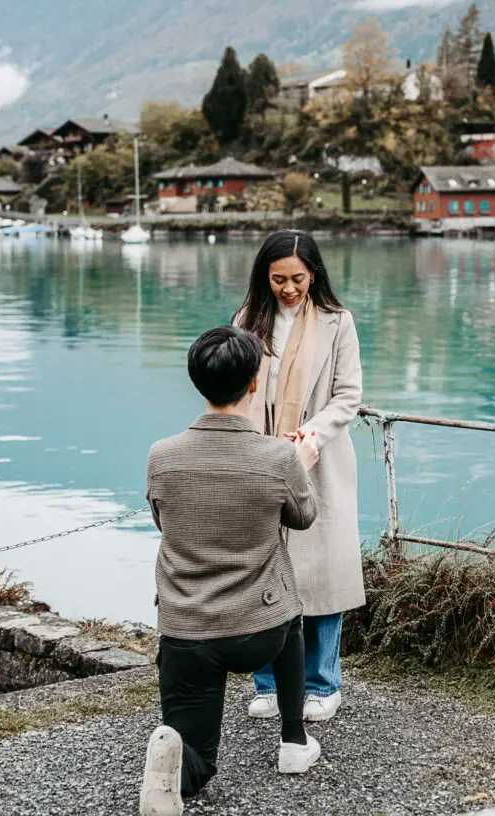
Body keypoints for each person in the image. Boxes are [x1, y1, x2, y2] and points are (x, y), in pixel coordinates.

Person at [141, 326, 321, 816]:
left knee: (196, 752)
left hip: (187, 632)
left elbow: (163, 522)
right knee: (291, 613)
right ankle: (293, 740)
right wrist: (301, 464)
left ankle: (176, 771)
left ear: (196, 381)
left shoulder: (162, 456)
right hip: (261, 631)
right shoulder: (278, 457)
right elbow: (304, 517)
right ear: (254, 383)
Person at [234, 229, 364, 724]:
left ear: (314, 275)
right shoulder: (247, 320)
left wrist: (310, 434)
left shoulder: (338, 322)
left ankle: (322, 685)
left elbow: (348, 395)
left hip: (319, 460)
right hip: (261, 458)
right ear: (264, 277)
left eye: (298, 279)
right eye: (278, 279)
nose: (288, 289)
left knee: (323, 574)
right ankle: (267, 683)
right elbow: (237, 386)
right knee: (263, 572)